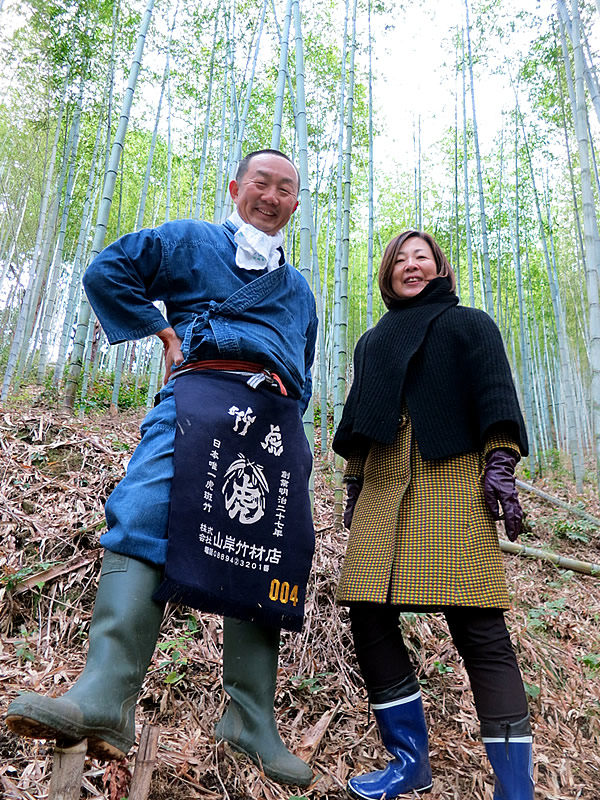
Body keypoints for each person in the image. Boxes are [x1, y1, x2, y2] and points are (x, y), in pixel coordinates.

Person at [5, 149, 318, 788]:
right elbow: (109, 271)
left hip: (273, 425)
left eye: (286, 190)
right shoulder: (190, 241)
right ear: (237, 188)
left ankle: (250, 721)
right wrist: (163, 334)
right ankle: (105, 697)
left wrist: (287, 418)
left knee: (269, 556)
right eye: (261, 182)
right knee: (145, 510)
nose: (271, 196)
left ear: (294, 205)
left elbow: (304, 364)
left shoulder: (301, 291)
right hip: (198, 399)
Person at [332, 230, 533, 800]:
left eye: (422, 256)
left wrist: (501, 463)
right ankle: (408, 761)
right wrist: (353, 486)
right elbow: (360, 420)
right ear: (388, 273)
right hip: (384, 486)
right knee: (369, 616)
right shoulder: (372, 342)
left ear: (440, 267)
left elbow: (496, 393)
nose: (410, 265)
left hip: (452, 482)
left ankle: (515, 787)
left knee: (479, 627)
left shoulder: (470, 323)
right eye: (400, 258)